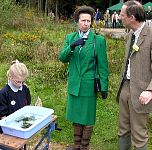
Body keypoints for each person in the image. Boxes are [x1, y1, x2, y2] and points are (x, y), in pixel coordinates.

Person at [59, 6, 109, 150]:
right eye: (83, 20)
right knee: (76, 117)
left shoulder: (98, 40)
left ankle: (84, 146)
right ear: (77, 22)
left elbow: (103, 65)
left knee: (87, 118)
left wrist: (104, 86)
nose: (86, 23)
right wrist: (72, 46)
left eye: (89, 20)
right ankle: (76, 146)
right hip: (74, 84)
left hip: (88, 85)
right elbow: (62, 58)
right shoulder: (70, 38)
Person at [117, 1, 152, 150]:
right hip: (125, 87)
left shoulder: (150, 36)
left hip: (142, 91)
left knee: (139, 135)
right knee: (123, 130)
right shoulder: (131, 34)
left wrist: (150, 90)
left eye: (122, 15)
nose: (119, 17)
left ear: (132, 17)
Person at [0, 60, 31, 133]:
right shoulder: (4, 93)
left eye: (23, 82)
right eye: (18, 82)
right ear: (10, 77)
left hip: (22, 125)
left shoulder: (25, 88)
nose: (21, 85)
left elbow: (28, 104)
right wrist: (11, 128)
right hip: (8, 128)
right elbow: (2, 115)